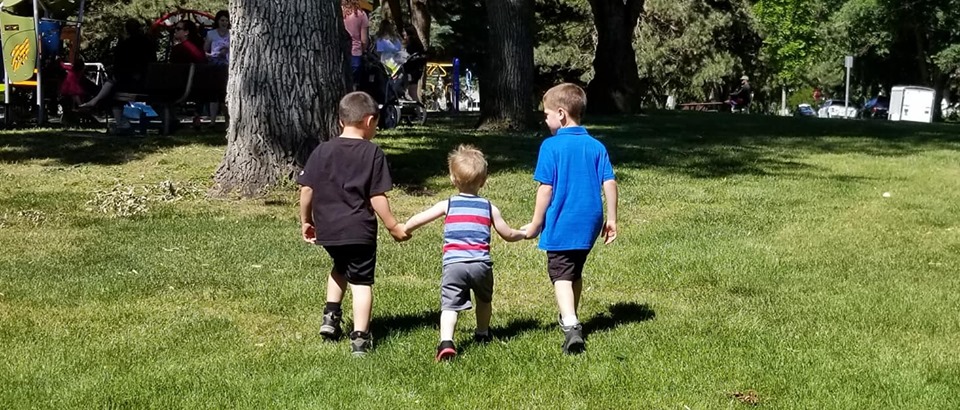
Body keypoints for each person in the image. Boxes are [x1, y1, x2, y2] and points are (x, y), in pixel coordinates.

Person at [297, 91, 409, 357]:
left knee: (340, 267)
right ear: (369, 121)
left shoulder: (322, 150)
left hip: (329, 229)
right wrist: (393, 225)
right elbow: (377, 196)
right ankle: (360, 337)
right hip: (359, 231)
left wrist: (306, 221)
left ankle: (330, 317)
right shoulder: (372, 153)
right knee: (360, 281)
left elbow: (307, 190)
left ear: (341, 121)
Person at [401, 145, 528, 361]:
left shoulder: (448, 204)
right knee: (484, 300)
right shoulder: (489, 207)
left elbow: (420, 218)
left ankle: (446, 342)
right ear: (483, 181)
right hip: (481, 265)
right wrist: (523, 233)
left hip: (454, 266)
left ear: (452, 179)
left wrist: (406, 228)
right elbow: (507, 234)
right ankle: (482, 333)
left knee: (450, 306)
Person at [524, 83, 618, 355]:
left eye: (547, 114)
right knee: (574, 269)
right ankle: (571, 314)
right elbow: (610, 182)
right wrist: (612, 218)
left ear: (561, 114)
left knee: (560, 274)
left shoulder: (551, 146)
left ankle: (570, 325)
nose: (545, 120)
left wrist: (536, 222)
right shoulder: (596, 146)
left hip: (563, 219)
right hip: (590, 221)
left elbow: (546, 189)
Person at [204, 10, 230, 125]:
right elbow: (205, 50)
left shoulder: (233, 34)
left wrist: (226, 50)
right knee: (214, 94)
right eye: (222, 20)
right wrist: (211, 55)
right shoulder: (211, 34)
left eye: (226, 20)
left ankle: (228, 120)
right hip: (215, 66)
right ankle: (212, 121)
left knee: (225, 94)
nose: (224, 23)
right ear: (218, 21)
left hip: (228, 66)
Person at [342, 0, 369, 88]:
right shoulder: (361, 14)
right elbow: (364, 40)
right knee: (354, 85)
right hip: (355, 54)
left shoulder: (337, 13)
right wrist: (363, 50)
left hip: (340, 54)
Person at [401, 26, 426, 102]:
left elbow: (408, 56)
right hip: (416, 70)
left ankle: (419, 108)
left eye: (404, 32)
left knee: (412, 92)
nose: (403, 33)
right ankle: (419, 107)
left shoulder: (411, 44)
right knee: (412, 92)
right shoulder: (417, 43)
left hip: (412, 70)